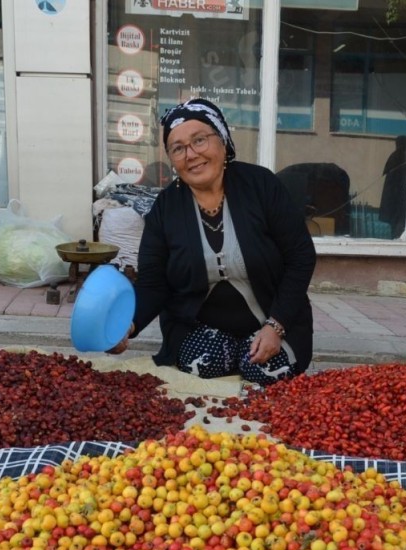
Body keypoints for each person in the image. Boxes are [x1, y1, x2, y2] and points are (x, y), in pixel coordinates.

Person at [107, 98, 317, 386]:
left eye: (199, 140)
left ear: (223, 141)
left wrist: (276, 326)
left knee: (266, 371)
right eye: (178, 148)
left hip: (272, 323)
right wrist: (127, 325)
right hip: (201, 331)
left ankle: (255, 347)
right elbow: (153, 284)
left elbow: (301, 256)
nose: (191, 154)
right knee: (201, 364)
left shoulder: (261, 186)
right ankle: (231, 354)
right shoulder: (166, 209)